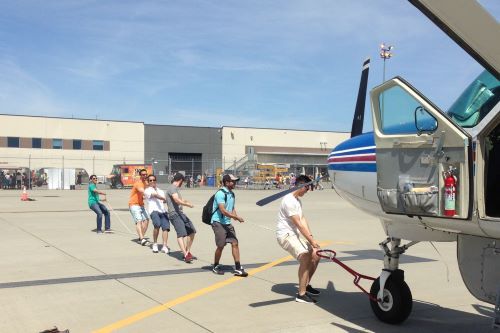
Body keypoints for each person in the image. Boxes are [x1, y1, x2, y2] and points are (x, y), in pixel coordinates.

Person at [276, 174, 321, 304]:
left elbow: (303, 219)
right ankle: (301, 294)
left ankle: (305, 285)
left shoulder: (297, 201)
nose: (308, 191)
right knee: (306, 256)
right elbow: (298, 224)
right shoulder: (288, 201)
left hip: (294, 234)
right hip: (285, 235)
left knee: (316, 255)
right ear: (302, 186)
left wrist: (312, 238)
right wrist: (311, 241)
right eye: (307, 188)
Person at [211, 174, 248, 277]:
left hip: (227, 223)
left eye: (235, 181)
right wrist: (235, 217)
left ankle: (237, 267)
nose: (235, 183)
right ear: (227, 182)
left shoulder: (232, 194)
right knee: (221, 246)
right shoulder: (220, 194)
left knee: (235, 243)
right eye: (233, 181)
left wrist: (236, 216)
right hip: (218, 222)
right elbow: (222, 210)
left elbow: (231, 208)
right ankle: (216, 266)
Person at [165, 173, 196, 263]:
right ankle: (185, 254)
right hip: (174, 214)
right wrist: (187, 204)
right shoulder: (172, 188)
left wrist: (186, 201)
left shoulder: (175, 189)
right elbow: (176, 200)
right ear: (181, 180)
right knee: (181, 234)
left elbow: (179, 201)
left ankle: (187, 252)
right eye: (183, 181)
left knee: (192, 231)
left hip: (180, 213)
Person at [144, 175, 170, 254]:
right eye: (150, 180)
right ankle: (155, 244)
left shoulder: (161, 191)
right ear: (148, 182)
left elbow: (164, 201)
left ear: (156, 181)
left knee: (165, 228)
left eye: (153, 180)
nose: (152, 181)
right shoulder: (147, 190)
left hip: (163, 211)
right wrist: (163, 198)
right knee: (157, 225)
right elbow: (155, 195)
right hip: (154, 211)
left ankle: (164, 246)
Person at [129, 169, 150, 245]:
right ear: (140, 176)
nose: (145, 176)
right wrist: (150, 194)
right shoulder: (138, 183)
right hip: (134, 205)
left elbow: (149, 188)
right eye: (143, 175)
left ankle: (141, 238)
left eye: (145, 174)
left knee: (147, 220)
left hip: (141, 205)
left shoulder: (146, 183)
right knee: (139, 221)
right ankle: (142, 239)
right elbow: (142, 190)